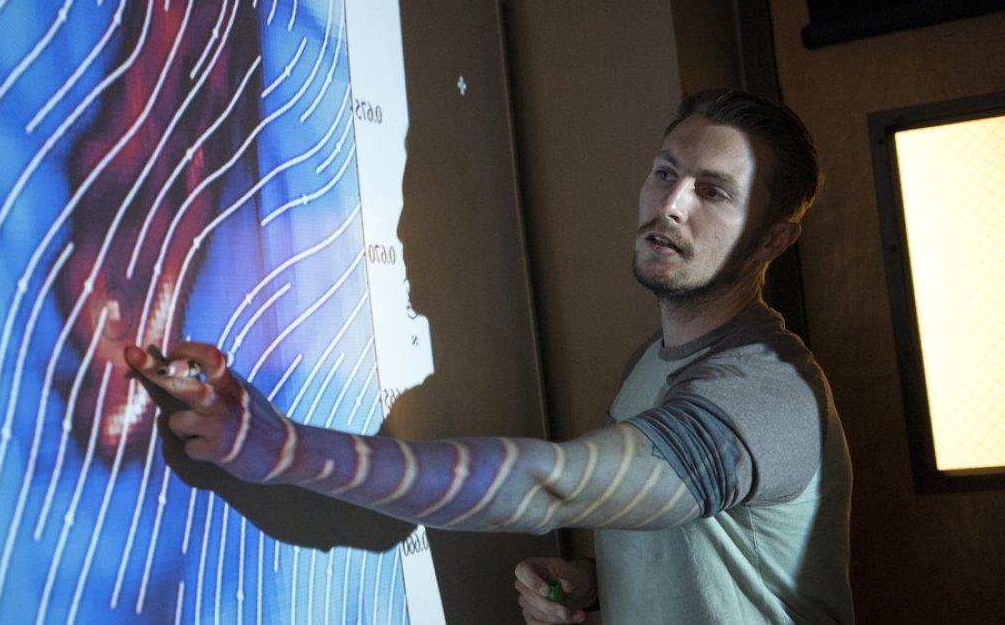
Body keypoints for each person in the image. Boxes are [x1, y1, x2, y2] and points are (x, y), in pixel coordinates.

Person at [123, 89, 854, 624]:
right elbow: (702, 538)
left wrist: (282, 448)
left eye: (714, 192)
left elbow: (556, 487)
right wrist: (598, 581)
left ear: (771, 241)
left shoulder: (772, 394)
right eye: (666, 172)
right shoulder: (650, 363)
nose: (671, 204)